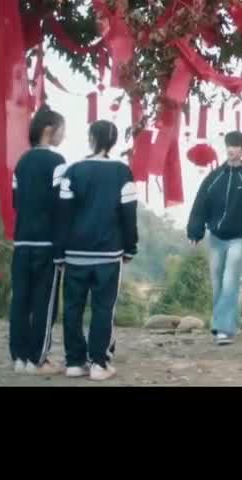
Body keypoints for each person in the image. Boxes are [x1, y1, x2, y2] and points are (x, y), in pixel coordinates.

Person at [56, 120, 138, 381]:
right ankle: (99, 364)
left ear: (91, 138)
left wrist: (59, 252)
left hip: (75, 252)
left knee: (73, 308)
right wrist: (130, 248)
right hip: (108, 254)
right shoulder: (122, 172)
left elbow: (63, 216)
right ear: (113, 142)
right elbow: (129, 215)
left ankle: (74, 362)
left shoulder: (73, 171)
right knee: (103, 308)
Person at [186, 130, 242, 346]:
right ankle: (225, 323)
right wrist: (195, 231)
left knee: (230, 279)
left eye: (236, 146)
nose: (231, 149)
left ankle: (224, 329)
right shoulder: (214, 177)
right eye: (229, 145)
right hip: (216, 238)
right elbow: (200, 204)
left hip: (239, 238)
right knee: (217, 282)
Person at [8, 105, 67, 375]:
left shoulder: (21, 162)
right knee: (45, 302)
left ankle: (19, 358)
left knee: (20, 300)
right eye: (62, 130)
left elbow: (15, 202)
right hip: (47, 243)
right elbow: (61, 206)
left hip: (22, 241)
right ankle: (37, 359)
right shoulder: (57, 162)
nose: (63, 136)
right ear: (48, 130)